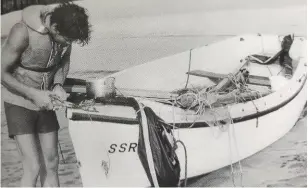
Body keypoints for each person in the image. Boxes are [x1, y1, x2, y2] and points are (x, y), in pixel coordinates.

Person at [1, 2, 91, 187]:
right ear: (55, 27)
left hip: (45, 102)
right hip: (18, 103)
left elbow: (63, 61)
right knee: (32, 166)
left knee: (52, 163)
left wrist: (58, 84)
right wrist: (33, 94)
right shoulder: (22, 31)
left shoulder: (66, 33)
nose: (68, 44)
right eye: (67, 40)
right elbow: (1, 72)